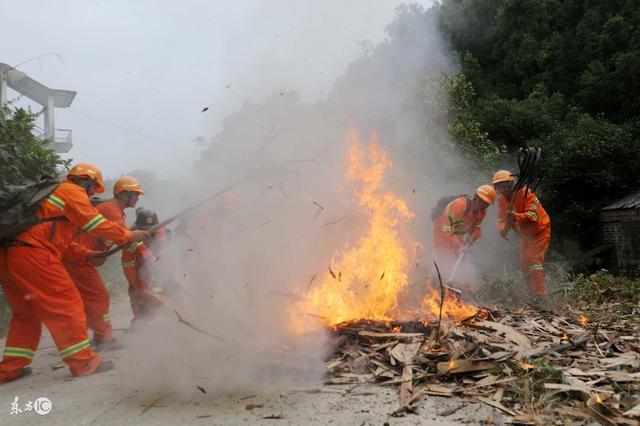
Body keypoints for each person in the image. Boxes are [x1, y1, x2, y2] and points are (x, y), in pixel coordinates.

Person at [0, 163, 148, 383]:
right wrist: (128, 236)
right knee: (67, 305)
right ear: (85, 181)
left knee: (26, 314)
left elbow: (64, 244)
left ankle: (10, 369)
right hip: (35, 255)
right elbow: (95, 223)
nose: (91, 194)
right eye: (92, 187)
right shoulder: (71, 191)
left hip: (10, 255)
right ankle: (83, 362)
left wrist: (87, 255)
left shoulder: (50, 204)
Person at [63, 176, 145, 351]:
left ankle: (81, 340)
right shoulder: (110, 209)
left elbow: (119, 235)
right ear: (124, 194)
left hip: (82, 258)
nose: (138, 198)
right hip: (79, 259)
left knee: (86, 300)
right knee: (99, 297)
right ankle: (103, 339)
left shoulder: (115, 210)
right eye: (136, 194)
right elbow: (121, 236)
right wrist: (135, 238)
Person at [493, 170, 551, 298]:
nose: (502, 189)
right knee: (524, 265)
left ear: (510, 184)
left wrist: (516, 216)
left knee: (534, 261)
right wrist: (502, 231)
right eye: (499, 186)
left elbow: (532, 216)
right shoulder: (502, 200)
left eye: (504, 185)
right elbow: (501, 219)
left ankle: (541, 296)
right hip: (526, 236)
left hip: (540, 232)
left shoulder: (526, 194)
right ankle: (532, 294)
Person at [433, 185, 496, 278]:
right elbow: (446, 227)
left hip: (456, 233)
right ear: (475, 197)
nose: (482, 205)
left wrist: (472, 238)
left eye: (485, 204)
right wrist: (458, 244)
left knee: (463, 259)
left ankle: (461, 284)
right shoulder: (460, 205)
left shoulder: (482, 212)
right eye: (481, 201)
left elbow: (476, 227)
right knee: (446, 257)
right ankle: (437, 281)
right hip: (442, 230)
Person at [121, 208, 163, 323]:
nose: (149, 233)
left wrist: (162, 274)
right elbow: (127, 263)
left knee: (160, 289)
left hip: (155, 264)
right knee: (136, 292)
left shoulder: (160, 232)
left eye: (152, 230)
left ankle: (154, 315)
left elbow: (164, 254)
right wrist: (133, 283)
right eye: (145, 230)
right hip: (136, 267)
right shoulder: (131, 239)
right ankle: (139, 320)